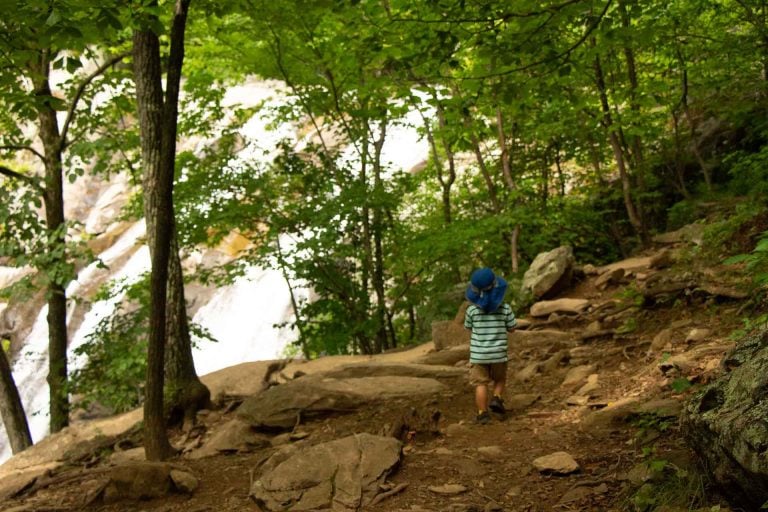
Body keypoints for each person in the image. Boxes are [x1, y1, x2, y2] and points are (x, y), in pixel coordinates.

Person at [464, 267, 517, 424]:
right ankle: (497, 398)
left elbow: (468, 327)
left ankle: (482, 414)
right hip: (498, 354)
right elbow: (512, 328)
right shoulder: (505, 308)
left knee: (481, 383)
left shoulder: (471, 310)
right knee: (499, 379)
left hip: (478, 356)